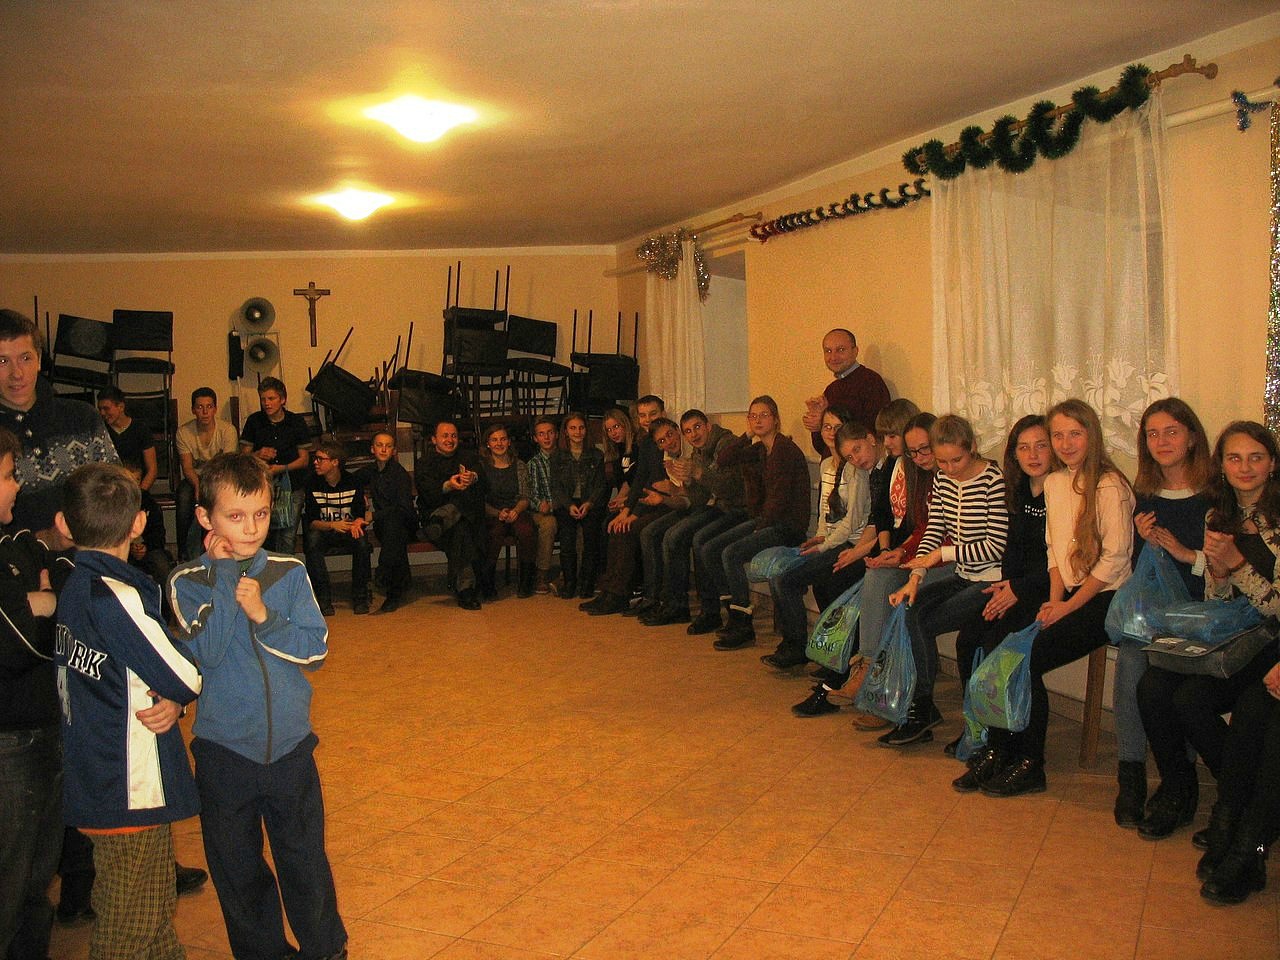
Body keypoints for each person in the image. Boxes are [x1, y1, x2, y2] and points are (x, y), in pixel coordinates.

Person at [170, 453, 347, 960]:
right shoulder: (187, 581)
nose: (251, 529)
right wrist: (225, 578)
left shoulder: (290, 572)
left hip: (291, 750)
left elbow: (315, 649)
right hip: (225, 754)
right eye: (235, 516)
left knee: (304, 861)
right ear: (205, 517)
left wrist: (265, 616)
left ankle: (325, 949)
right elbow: (206, 653)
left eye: (261, 514)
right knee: (237, 868)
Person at [54, 463, 202, 960]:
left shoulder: (74, 586)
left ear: (64, 525)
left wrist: (169, 698)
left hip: (95, 772)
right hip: (127, 784)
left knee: (152, 907)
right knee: (129, 925)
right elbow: (182, 674)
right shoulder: (115, 596)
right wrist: (180, 690)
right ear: (139, 523)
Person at [982, 398, 1134, 798]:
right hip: (1064, 592)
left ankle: (1031, 764)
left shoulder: (1110, 485)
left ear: (1091, 436)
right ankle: (1000, 749)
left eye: (1075, 434)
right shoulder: (1054, 482)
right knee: (1003, 647)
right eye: (1058, 436)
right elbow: (1055, 552)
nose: (1065, 444)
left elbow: (1115, 560)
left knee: (1027, 658)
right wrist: (1052, 602)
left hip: (1106, 597)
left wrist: (1066, 607)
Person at [1137, 421, 1280, 843]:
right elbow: (1216, 598)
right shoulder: (1218, 515)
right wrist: (1217, 571)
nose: (1245, 468)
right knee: (1152, 685)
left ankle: (1239, 801)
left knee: (1192, 699)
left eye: (1256, 458)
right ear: (1222, 465)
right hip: (1234, 633)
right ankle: (1178, 790)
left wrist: (1236, 564)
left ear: (1272, 464)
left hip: (1271, 640)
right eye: (1235, 458)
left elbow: (1275, 608)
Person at [1113, 399, 1212, 831]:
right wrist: (1145, 542)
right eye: (1152, 434)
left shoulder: (1215, 495)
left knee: (1172, 673)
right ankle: (1131, 773)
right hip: (1159, 614)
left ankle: (1180, 779)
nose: (1162, 441)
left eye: (1171, 431)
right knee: (1131, 657)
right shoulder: (1147, 496)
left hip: (1204, 615)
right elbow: (1145, 576)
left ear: (1191, 437)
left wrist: (1186, 554)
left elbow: (1228, 572)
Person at [882, 414, 1008, 746]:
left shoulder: (992, 479)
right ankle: (922, 706)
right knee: (910, 606)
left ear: (973, 448)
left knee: (925, 619)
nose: (950, 469)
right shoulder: (942, 480)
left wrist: (942, 554)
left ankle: (925, 706)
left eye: (957, 460)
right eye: (942, 462)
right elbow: (934, 530)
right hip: (963, 575)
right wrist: (916, 576)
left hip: (990, 580)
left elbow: (996, 546)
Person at [950, 415, 1055, 791]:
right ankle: (991, 742)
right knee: (970, 639)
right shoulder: (1019, 490)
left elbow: (1063, 564)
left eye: (1041, 445)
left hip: (1050, 592)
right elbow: (1012, 550)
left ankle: (1029, 759)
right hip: (1017, 587)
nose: (1033, 454)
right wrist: (1006, 588)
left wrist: (1019, 590)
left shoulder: (1062, 490)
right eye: (1023, 447)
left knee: (1007, 652)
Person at [0, 425, 62, 960]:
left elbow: (45, 616)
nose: (16, 486)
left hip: (41, 724)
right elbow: (22, 644)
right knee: (11, 873)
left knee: (38, 873)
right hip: (11, 738)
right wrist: (38, 603)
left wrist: (38, 604)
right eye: (6, 476)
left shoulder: (10, 544)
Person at [835, 410, 939, 725]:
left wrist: (905, 555)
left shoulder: (941, 471)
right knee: (876, 575)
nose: (918, 456)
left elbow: (941, 533)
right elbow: (922, 527)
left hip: (950, 561)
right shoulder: (913, 470)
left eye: (924, 449)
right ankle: (868, 671)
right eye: (913, 451)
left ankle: (891, 695)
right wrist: (896, 552)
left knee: (903, 603)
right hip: (921, 554)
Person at [761, 414, 876, 671]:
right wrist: (820, 536)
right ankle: (823, 650)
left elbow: (852, 523)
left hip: (850, 543)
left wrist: (825, 546)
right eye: (827, 427)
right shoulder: (826, 465)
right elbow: (825, 513)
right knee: (783, 574)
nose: (831, 432)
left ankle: (804, 648)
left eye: (837, 427)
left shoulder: (856, 470)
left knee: (796, 580)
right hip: (833, 540)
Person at [698, 396, 811, 649]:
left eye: (764, 415)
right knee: (710, 548)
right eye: (753, 416)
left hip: (786, 527)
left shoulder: (784, 450)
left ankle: (743, 625)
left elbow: (780, 500)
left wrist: (759, 528)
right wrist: (747, 435)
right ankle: (734, 614)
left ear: (776, 419)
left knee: (731, 553)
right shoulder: (761, 450)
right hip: (766, 521)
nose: (758, 420)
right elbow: (724, 459)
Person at [0, 309, 119, 549]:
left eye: (25, 358)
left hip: (88, 559)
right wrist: (44, 541)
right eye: (2, 361)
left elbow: (117, 495)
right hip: (17, 567)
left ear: (39, 360)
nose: (17, 373)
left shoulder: (83, 418)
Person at [643, 409, 744, 628]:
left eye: (697, 427)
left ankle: (709, 611)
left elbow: (731, 490)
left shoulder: (726, 445)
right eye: (688, 431)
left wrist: (695, 475)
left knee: (695, 538)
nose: (694, 434)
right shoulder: (698, 452)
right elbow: (700, 498)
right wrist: (688, 483)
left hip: (737, 510)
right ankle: (671, 603)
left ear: (708, 426)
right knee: (664, 534)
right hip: (716, 507)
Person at [581, 415, 684, 616]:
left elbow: (655, 488)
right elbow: (639, 481)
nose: (647, 420)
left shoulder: (659, 447)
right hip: (652, 501)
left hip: (666, 505)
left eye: (653, 414)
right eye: (642, 415)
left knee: (629, 528)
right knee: (614, 525)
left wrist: (632, 514)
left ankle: (624, 594)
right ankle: (610, 590)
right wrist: (627, 510)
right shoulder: (648, 443)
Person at [416, 419, 485, 610]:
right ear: (434, 439)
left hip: (450, 523)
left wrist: (473, 477)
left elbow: (484, 482)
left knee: (462, 520)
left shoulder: (468, 457)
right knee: (461, 530)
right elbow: (428, 495)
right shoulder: (424, 463)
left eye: (453, 435)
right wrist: (448, 486)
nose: (450, 439)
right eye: (445, 436)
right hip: (434, 515)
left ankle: (441, 520)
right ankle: (465, 590)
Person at [239, 377, 312, 553]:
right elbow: (243, 457)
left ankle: (286, 569)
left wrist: (282, 468)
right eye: (263, 399)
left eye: (271, 399)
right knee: (263, 535)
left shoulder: (296, 422)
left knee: (287, 537)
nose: (266, 403)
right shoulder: (254, 421)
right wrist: (258, 455)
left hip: (292, 485)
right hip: (261, 488)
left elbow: (304, 460)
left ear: (282, 399)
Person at [302, 442, 371, 616]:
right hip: (324, 530)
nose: (315, 462)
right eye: (315, 458)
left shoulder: (353, 481)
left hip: (348, 529)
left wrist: (358, 522)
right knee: (312, 541)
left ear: (335, 462)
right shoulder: (312, 482)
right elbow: (311, 522)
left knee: (362, 541)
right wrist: (332, 525)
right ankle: (323, 599)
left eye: (320, 459)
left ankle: (360, 598)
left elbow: (360, 513)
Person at [800, 328, 890, 457]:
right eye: (828, 351)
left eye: (840, 350)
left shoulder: (870, 382)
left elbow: (874, 436)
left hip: (860, 464)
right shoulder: (831, 390)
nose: (833, 357)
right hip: (832, 464)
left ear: (855, 351)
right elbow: (822, 447)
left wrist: (829, 421)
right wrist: (819, 423)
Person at [175, 388, 239, 561]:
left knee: (215, 499)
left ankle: (212, 550)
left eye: (209, 407)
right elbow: (187, 467)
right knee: (183, 495)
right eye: (200, 407)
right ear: (193, 410)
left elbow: (227, 466)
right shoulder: (184, 432)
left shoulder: (227, 430)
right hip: (194, 478)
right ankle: (184, 554)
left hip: (220, 478)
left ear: (215, 409)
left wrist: (207, 488)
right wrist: (198, 486)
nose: (205, 412)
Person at [357, 430, 417, 613]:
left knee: (394, 530)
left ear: (394, 451)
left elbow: (404, 508)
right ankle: (397, 582)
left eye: (388, 446)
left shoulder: (400, 475)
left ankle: (390, 584)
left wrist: (374, 516)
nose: (383, 449)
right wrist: (360, 494)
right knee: (391, 531)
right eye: (379, 445)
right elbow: (350, 479)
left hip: (405, 523)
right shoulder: (371, 470)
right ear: (372, 449)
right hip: (384, 524)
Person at [551, 412, 606, 600]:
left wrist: (589, 503)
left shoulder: (596, 455)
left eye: (581, 428)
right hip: (567, 504)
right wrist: (568, 505)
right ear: (565, 431)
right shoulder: (557, 456)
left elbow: (600, 485)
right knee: (567, 541)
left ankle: (587, 583)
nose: (577, 432)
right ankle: (569, 583)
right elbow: (556, 487)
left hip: (590, 502)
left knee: (591, 539)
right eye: (573, 428)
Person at [478, 424, 536, 598]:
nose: (499, 443)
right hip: (492, 512)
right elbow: (479, 500)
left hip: (517, 510)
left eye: (503, 439)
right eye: (494, 440)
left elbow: (526, 496)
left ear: (509, 442)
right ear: (488, 444)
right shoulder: (481, 467)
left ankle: (526, 582)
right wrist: (498, 513)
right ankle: (487, 582)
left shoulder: (519, 465)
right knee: (494, 533)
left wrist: (516, 511)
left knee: (527, 531)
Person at [124, 459, 175, 597]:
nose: (133, 484)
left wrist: (146, 547)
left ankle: (169, 607)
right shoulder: (115, 503)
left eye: (137, 480)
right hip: (123, 550)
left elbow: (159, 532)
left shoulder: (149, 502)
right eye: (129, 480)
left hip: (149, 549)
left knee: (163, 567)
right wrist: (130, 548)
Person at [97, 386, 158, 492]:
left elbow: (152, 469)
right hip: (110, 489)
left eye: (106, 409)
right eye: (100, 409)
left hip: (137, 485)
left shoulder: (140, 429)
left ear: (121, 407)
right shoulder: (100, 431)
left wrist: (140, 493)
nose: (102, 413)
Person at [527, 417, 559, 594]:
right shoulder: (534, 463)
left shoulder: (565, 459)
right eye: (541, 434)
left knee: (580, 525)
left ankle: (574, 572)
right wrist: (539, 504)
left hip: (563, 508)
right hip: (541, 511)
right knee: (549, 524)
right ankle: (542, 574)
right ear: (535, 438)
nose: (546, 437)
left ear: (556, 434)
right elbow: (530, 494)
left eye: (550, 433)